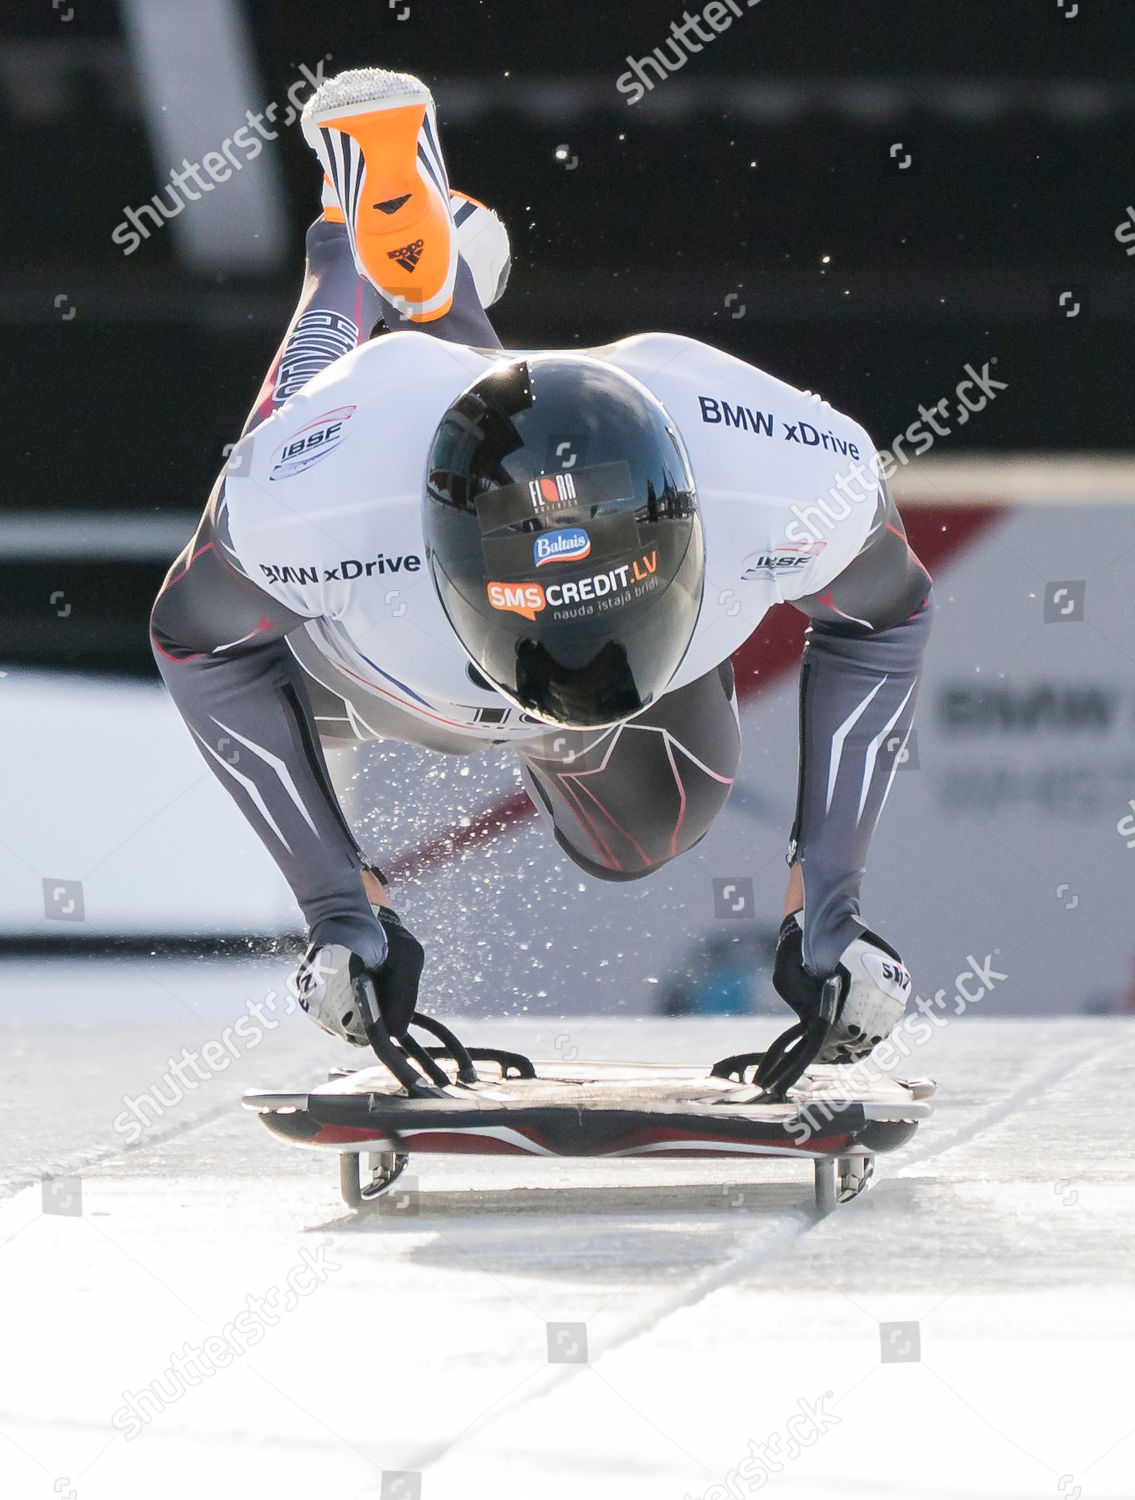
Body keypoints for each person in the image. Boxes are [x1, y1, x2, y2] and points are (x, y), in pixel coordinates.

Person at [150, 67, 929, 1077]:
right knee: (278, 455)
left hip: (463, 586)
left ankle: (407, 272)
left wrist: (829, 908)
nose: (558, 682)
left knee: (640, 836)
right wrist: (339, 905)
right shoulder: (323, 500)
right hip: (385, 598)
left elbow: (887, 617)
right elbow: (197, 638)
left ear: (693, 528)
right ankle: (345, 267)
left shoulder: (789, 481)